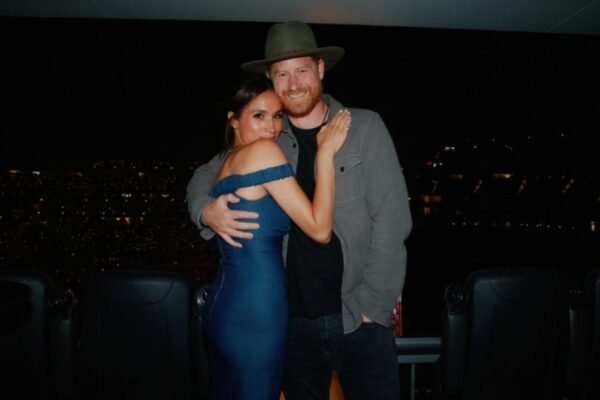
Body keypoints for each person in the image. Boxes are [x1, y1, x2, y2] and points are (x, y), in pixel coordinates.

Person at [187, 21, 412, 400]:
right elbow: (206, 173)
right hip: (291, 321)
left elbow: (393, 221)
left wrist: (372, 307)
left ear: (321, 69)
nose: (293, 84)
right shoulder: (270, 134)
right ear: (271, 80)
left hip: (356, 315)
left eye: (302, 70)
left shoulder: (364, 126)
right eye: (282, 74)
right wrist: (205, 211)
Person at [198, 74, 350, 400]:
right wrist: (325, 154)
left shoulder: (228, 162)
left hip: (224, 305)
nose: (272, 127)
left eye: (277, 115)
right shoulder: (263, 152)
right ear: (233, 120)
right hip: (256, 312)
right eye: (259, 115)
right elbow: (320, 229)